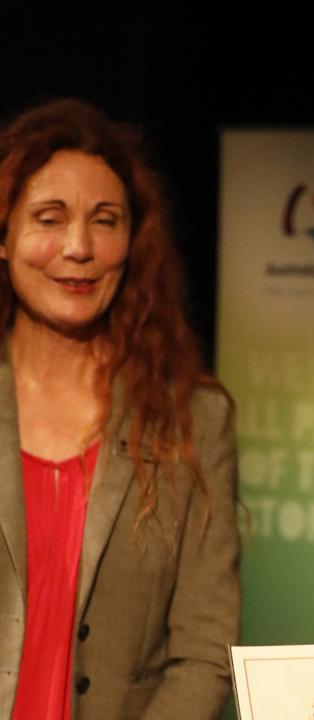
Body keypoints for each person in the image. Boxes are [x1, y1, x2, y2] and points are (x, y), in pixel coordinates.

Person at [0, 99, 239, 720]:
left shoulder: (194, 417)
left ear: (134, 241)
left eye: (106, 221)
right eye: (49, 218)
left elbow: (206, 654)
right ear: (4, 235)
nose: (79, 247)